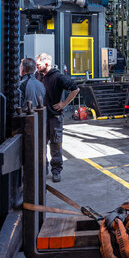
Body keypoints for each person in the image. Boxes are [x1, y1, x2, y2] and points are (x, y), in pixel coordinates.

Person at [36, 52, 79, 183]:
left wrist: (64, 104)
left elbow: (75, 89)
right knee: (40, 145)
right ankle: (43, 169)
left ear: (47, 63)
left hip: (54, 117)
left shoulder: (58, 77)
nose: (37, 67)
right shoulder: (37, 75)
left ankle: (56, 171)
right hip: (41, 117)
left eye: (38, 65)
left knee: (55, 144)